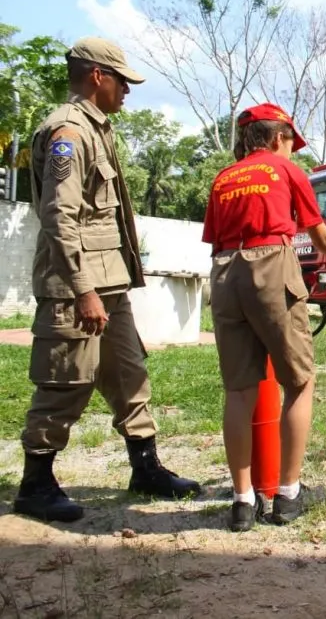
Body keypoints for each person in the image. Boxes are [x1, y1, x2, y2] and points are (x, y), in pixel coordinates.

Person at [14, 37, 202, 523]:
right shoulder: (68, 131)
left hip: (109, 283)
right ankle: (36, 485)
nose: (127, 90)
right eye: (122, 80)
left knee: (129, 376)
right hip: (75, 287)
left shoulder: (98, 129)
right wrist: (83, 290)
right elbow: (59, 217)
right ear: (97, 75)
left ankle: (146, 469)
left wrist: (104, 287)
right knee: (65, 383)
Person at [201, 102, 326, 532]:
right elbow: (320, 236)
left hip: (224, 272)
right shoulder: (286, 170)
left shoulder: (223, 178)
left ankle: (242, 502)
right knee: (298, 381)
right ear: (279, 137)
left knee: (239, 391)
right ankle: (288, 495)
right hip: (270, 266)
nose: (292, 151)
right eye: (291, 143)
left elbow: (215, 240)